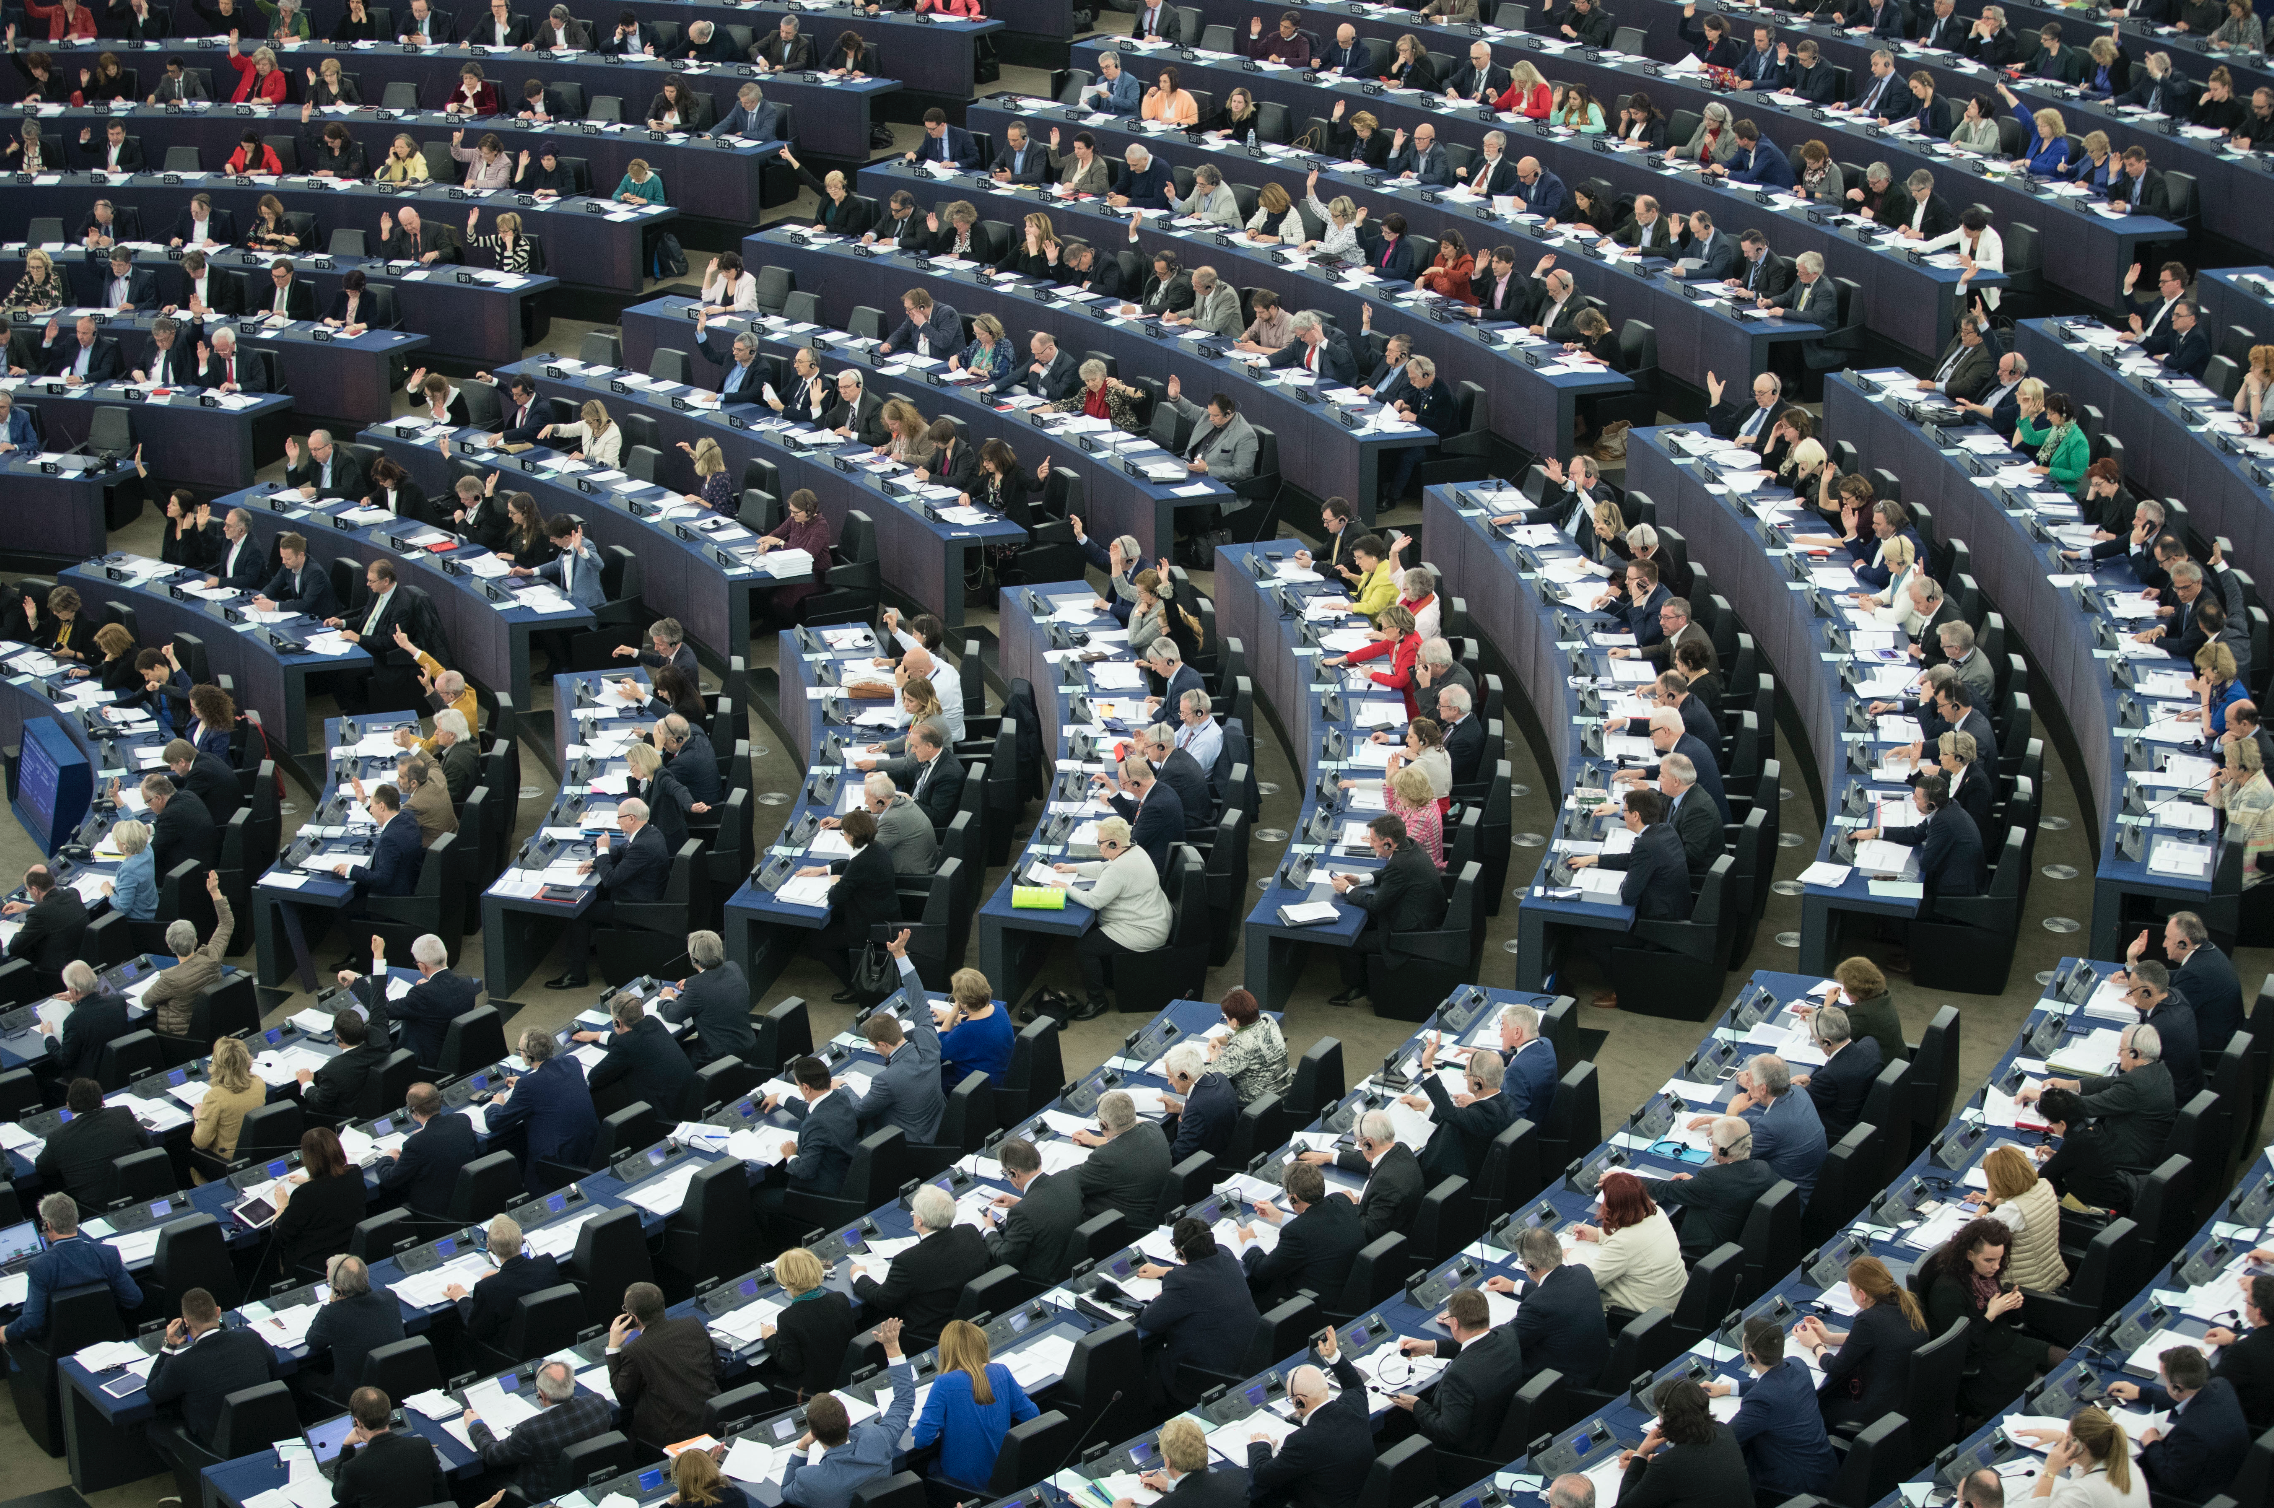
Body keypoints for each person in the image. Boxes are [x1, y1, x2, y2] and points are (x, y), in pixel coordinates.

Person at [1925, 1216, 2067, 1423]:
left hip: (2008, 1342)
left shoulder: (1985, 1274)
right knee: (2047, 1392)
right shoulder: (1947, 1291)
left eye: (1999, 1259)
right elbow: (1962, 1345)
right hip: (1986, 1361)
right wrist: (1990, 1314)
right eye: (1989, 1260)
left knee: (2067, 1360)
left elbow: (2009, 1322)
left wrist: (2012, 1306)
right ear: (1969, 1254)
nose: (1995, 1267)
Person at [2109, 1275, 2273, 1435]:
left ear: (2258, 1313)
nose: (2245, 1306)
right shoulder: (2248, 1345)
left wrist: (2139, 1392)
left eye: (2247, 1302)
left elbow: (2198, 1392)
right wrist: (2234, 1338)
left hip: (2250, 1430)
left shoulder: (2241, 1353)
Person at [144, 1284, 278, 1476]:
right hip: (266, 1431)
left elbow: (153, 1392)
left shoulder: (180, 1364)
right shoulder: (252, 1338)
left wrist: (167, 1348)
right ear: (217, 1312)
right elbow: (274, 1371)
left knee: (155, 1428)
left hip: (217, 1445)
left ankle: (191, 1486)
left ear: (186, 1323)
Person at [780, 1319, 915, 1508]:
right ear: (848, 1420)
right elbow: (904, 1402)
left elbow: (786, 1489)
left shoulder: (810, 1480)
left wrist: (802, 1445)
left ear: (815, 1435)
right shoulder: (878, 1439)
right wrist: (892, 1348)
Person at [1048, 816, 1172, 1020]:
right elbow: (1104, 868)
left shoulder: (1119, 869)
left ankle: (1098, 1001)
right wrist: (1074, 868)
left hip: (1141, 930)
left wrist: (1067, 888)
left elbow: (1094, 901)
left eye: (1100, 843)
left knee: (1084, 948)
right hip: (1150, 918)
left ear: (1114, 843)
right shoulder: (1134, 851)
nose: (1098, 847)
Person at [1793, 1254, 1932, 1429]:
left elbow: (1835, 1368)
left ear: (1862, 1294)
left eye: (1850, 1288)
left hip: (1875, 1410)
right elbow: (1877, 1339)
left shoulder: (1868, 1320)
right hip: (1898, 1400)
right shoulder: (1905, 1302)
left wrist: (1815, 1344)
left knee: (1812, 1407)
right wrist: (1828, 1338)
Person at [2015, 1022, 2175, 1174]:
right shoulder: (2158, 1070)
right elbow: (2111, 1083)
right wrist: (2071, 1084)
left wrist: (2041, 1096)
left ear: (2135, 1053)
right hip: (2144, 1144)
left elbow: (2085, 1106)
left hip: (2126, 1158)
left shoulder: (2134, 1086)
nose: (2118, 1054)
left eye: (2121, 1049)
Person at [1705, 1318, 1838, 1499]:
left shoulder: (1761, 1400)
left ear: (1751, 1356)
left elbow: (1726, 1438)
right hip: (1824, 1472)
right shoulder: (1797, 1366)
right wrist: (1726, 1388)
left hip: (1796, 1489)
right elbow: (1767, 1381)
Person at [1328, 813, 1448, 1007]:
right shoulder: (1409, 845)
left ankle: (1357, 986)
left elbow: (1376, 904)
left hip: (1408, 931)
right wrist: (1360, 879)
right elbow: (1388, 873)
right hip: (1419, 913)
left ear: (1388, 842)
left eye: (1374, 841)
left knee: (1346, 940)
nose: (1371, 845)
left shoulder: (1400, 863)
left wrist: (1348, 889)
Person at [1245, 1331, 1377, 1505]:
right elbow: (1354, 1384)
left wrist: (1260, 1445)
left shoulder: (1301, 1441)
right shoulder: (1354, 1406)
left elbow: (1261, 1476)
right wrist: (1333, 1356)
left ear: (1299, 1401)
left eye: (1291, 1399)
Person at [851, 1184, 989, 1349]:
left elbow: (883, 1299)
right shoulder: (969, 1232)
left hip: (929, 1334)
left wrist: (858, 1276)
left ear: (919, 1220)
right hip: (967, 1322)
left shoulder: (908, 1261)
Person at [912, 1318, 1041, 1485]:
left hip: (961, 1485)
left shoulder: (943, 1384)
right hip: (1002, 1478)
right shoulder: (1002, 1371)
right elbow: (1033, 1415)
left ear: (946, 1351)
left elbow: (922, 1440)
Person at [466, 1357, 612, 1498]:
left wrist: (475, 1425)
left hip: (545, 1497)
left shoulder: (530, 1430)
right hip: (591, 1485)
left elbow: (492, 1454)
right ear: (573, 1383)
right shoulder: (598, 1403)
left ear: (541, 1394)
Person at [1641, 1115, 1776, 1261]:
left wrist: (1627, 1180)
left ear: (1723, 1151)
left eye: (1713, 1143)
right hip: (1737, 1240)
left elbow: (1667, 1189)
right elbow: (1727, 1189)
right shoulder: (1763, 1168)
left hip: (1708, 1251)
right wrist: (1697, 1185)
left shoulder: (1712, 1179)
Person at [1692, 1053, 1826, 1200]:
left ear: (1763, 1089)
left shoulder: (1771, 1127)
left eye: (1749, 1078)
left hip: (1782, 1202)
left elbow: (1726, 1158)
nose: (1746, 1082)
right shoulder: (1798, 1092)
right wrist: (1723, 1120)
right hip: (1805, 1185)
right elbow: (1765, 1119)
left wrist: (1731, 1115)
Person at [1236, 1158, 1363, 1310]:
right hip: (1345, 1288)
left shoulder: (1296, 1233)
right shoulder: (1340, 1201)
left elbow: (1263, 1270)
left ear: (1293, 1198)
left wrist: (1249, 1242)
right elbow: (1316, 1223)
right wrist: (1279, 1216)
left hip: (1315, 1303)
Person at [483, 1029, 599, 1193]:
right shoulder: (572, 1062)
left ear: (529, 1056)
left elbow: (494, 1122)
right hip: (589, 1147)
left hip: (554, 1162)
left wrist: (497, 1104)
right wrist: (525, 1082)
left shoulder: (528, 1086)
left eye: (520, 1051)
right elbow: (550, 1085)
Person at [608, 1281, 716, 1448]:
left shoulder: (634, 1350)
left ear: (634, 1318)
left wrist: (613, 1349)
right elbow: (717, 1368)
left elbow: (624, 1397)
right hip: (712, 1418)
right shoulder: (692, 1324)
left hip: (675, 1437)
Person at [1616, 1378, 1752, 1508]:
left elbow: (1624, 1505)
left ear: (1665, 1418)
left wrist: (1641, 1454)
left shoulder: (1666, 1465)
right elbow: (1696, 1465)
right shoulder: (1723, 1430)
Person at [1570, 1171, 1684, 1317]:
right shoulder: (1658, 1213)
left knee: (1573, 1298)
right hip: (1675, 1301)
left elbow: (1587, 1283)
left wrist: (1574, 1255)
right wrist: (1598, 1234)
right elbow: (1639, 1237)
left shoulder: (1621, 1243)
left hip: (1651, 1315)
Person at [1297, 1108, 1422, 1242]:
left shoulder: (1386, 1182)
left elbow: (1369, 1233)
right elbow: (1369, 1161)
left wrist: (1352, 1205)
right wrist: (1329, 1157)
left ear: (1369, 1143)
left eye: (1359, 1142)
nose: (1358, 1146)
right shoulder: (1401, 1150)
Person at [304, 1256, 405, 1409]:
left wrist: (331, 1301)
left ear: (338, 1288)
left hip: (357, 1399)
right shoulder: (388, 1297)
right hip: (395, 1387)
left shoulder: (332, 1314)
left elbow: (313, 1341)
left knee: (301, 1380)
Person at [1965, 1145, 2069, 1291]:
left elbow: (1970, 1234)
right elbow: (2025, 1199)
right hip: (2049, 1274)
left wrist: (1986, 1202)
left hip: (2022, 1287)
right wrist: (1997, 1201)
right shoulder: (2044, 1185)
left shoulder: (2012, 1211)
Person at [761, 1246, 858, 1400]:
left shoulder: (787, 1318)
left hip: (815, 1389)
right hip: (845, 1377)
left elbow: (792, 1365)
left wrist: (770, 1338)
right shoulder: (840, 1299)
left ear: (784, 1280)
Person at [34, 1077, 149, 1206]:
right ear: (101, 1100)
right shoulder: (123, 1113)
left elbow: (42, 1167)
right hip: (141, 1194)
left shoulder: (57, 1137)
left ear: (68, 1105)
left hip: (95, 1208)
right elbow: (148, 1145)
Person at [271, 1126, 366, 1280]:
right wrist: (309, 1182)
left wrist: (282, 1205)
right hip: (349, 1254)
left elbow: (279, 1234)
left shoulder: (305, 1195)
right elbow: (330, 1188)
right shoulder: (355, 1173)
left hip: (313, 1265)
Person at [576, 993, 695, 1115]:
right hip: (690, 1102)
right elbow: (630, 1040)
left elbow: (594, 1077)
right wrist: (598, 1035)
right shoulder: (653, 1022)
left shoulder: (626, 1045)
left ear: (618, 1023)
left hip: (666, 1112)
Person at [331, 1386, 443, 1508]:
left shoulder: (353, 1468)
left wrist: (347, 1447)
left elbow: (339, 1495)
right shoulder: (422, 1446)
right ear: (388, 1415)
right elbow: (442, 1493)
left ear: (357, 1422)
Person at [376, 1083, 478, 1217]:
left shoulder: (415, 1144)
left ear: (413, 1111)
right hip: (468, 1197)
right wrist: (426, 1132)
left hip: (435, 1210)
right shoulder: (462, 1120)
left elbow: (389, 1179)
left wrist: (386, 1158)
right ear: (439, 1101)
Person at [2010, 1408, 2145, 1508]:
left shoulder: (2083, 1492)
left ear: (2081, 1446)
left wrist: (2049, 1471)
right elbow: (2083, 1466)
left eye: (2069, 1437)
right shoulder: (2122, 1460)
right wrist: (2062, 1438)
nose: (2066, 1440)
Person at [1208, 987, 1290, 1102]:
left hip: (1258, 1105)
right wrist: (1219, 1039)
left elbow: (1211, 1076)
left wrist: (1215, 1056)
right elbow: (1255, 1038)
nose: (1226, 1019)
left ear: (1235, 1022)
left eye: (1226, 1016)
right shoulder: (1268, 1020)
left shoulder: (1242, 1045)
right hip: (1284, 1092)